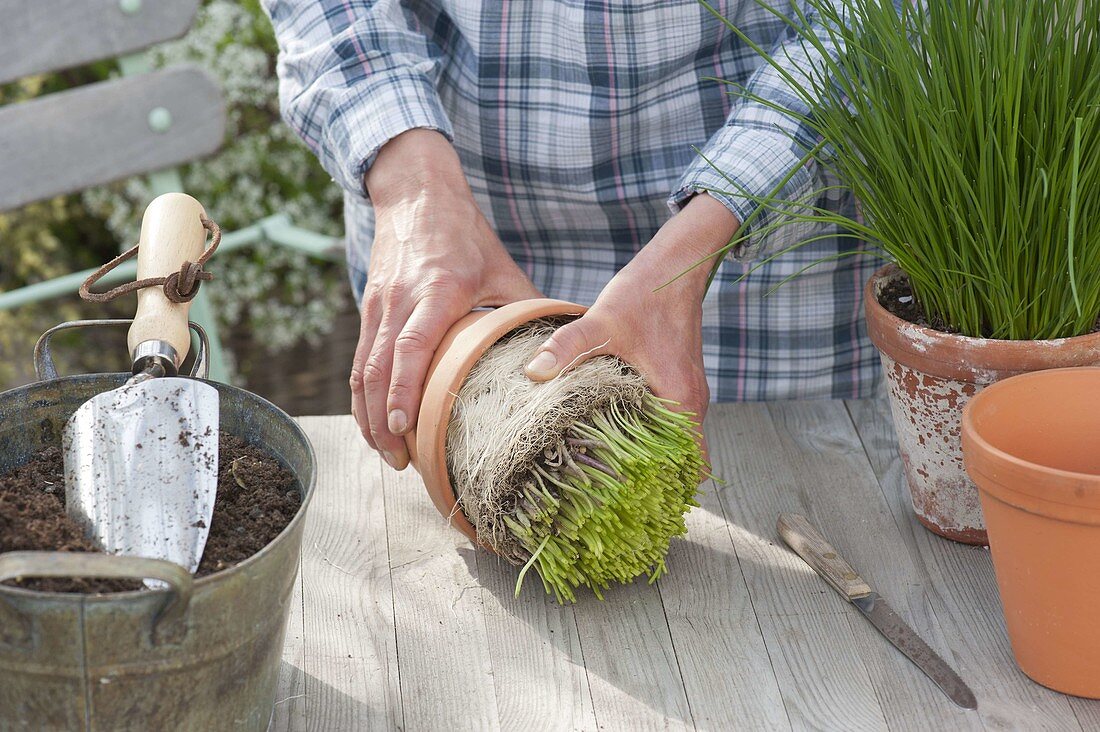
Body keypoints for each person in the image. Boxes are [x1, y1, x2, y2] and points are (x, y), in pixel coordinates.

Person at [263, 1, 879, 470]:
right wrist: (415, 188)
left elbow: (885, 25)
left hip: (766, 266)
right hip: (454, 232)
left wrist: (695, 248)